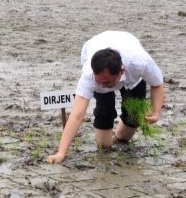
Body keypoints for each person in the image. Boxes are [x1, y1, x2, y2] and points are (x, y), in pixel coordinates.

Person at [46, 31, 165, 164]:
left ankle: (119, 138)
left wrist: (156, 112)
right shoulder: (89, 75)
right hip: (97, 46)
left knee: (134, 116)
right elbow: (77, 115)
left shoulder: (139, 63)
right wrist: (61, 152)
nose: (103, 85)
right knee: (104, 117)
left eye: (107, 82)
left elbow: (157, 84)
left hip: (130, 65)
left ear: (121, 72)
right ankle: (108, 142)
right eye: (99, 81)